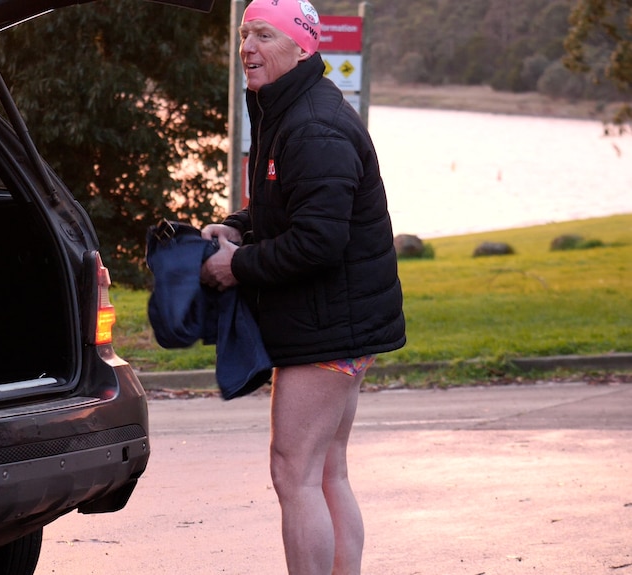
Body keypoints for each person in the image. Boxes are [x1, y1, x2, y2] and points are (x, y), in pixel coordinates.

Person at [200, 0, 406, 573]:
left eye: (264, 35)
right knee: (325, 469)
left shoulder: (313, 125)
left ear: (303, 46)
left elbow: (318, 241)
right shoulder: (288, 110)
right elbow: (287, 206)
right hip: (340, 325)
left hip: (329, 331)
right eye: (245, 34)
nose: (248, 47)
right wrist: (239, 226)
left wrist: (234, 266)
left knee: (295, 473)